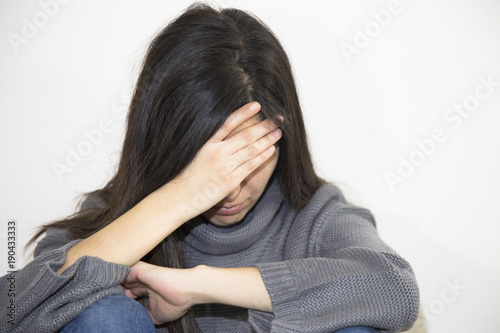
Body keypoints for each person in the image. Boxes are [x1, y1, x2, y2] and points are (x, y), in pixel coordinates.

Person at [0, 3, 419, 333]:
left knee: (350, 318)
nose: (229, 189)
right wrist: (181, 197)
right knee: (100, 312)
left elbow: (395, 288)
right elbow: (10, 311)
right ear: (165, 140)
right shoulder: (111, 223)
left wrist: (196, 286)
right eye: (208, 164)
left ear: (281, 137)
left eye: (247, 156)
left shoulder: (315, 217)